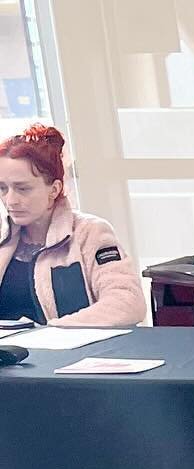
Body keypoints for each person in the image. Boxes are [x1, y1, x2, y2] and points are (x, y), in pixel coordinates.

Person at [0, 124, 144, 327]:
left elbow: (127, 302)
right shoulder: (3, 236)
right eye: (2, 188)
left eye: (23, 188)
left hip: (72, 353)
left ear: (54, 189)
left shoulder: (90, 233)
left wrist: (53, 332)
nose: (10, 200)